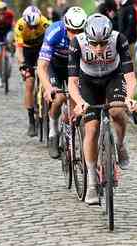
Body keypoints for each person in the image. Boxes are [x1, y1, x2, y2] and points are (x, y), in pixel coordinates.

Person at [68, 14, 137, 204]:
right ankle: (92, 180)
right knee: (91, 128)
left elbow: (130, 77)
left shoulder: (118, 39)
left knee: (117, 111)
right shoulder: (77, 43)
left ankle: (120, 145)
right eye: (94, 44)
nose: (99, 48)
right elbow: (72, 83)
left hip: (113, 78)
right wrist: (79, 102)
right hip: (88, 81)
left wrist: (130, 98)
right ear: (86, 38)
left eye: (103, 43)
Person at [38, 6, 87, 159]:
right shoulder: (54, 32)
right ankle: (53, 132)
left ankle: (70, 130)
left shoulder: (88, 35)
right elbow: (42, 66)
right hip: (55, 66)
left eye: (79, 32)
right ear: (65, 26)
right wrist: (48, 88)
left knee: (76, 107)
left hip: (74, 67)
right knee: (58, 98)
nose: (75, 35)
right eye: (72, 31)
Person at [15, 6, 50, 137]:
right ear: (26, 22)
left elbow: (51, 44)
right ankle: (31, 120)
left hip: (42, 49)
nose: (34, 29)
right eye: (31, 26)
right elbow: (18, 50)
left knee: (46, 77)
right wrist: (22, 64)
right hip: (27, 51)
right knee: (29, 83)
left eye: (36, 26)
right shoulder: (20, 26)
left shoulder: (45, 23)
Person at [0, 1, 15, 88]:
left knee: (10, 38)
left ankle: (11, 54)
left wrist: (14, 39)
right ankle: (0, 78)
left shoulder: (10, 14)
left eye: (3, 10)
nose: (1, 12)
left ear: (6, 9)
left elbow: (13, 26)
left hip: (7, 31)